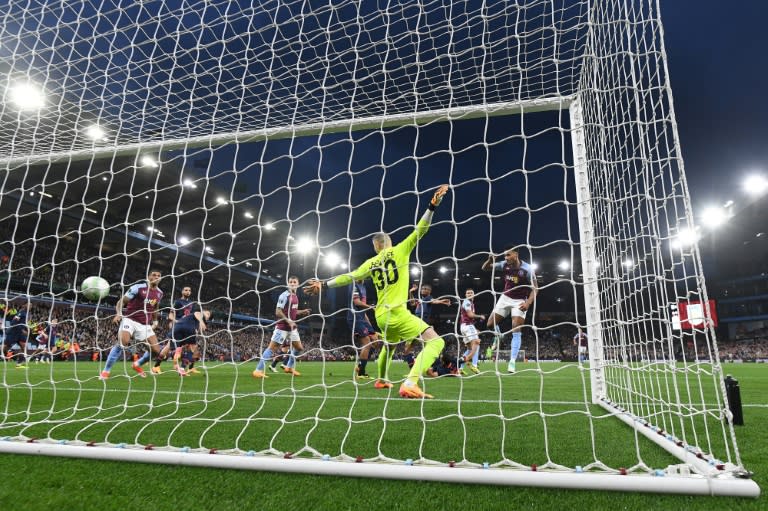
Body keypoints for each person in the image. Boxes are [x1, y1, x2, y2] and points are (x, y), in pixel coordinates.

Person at [304, 185, 450, 399]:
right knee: (437, 342)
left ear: (376, 246)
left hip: (381, 316)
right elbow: (421, 229)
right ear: (387, 242)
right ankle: (410, 382)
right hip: (398, 313)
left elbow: (349, 276)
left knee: (389, 348)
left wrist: (324, 284)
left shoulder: (370, 263)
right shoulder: (400, 249)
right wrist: (432, 206)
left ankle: (381, 380)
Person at [99, 269, 164, 380]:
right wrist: (119, 314)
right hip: (130, 319)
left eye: (159, 275)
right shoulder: (138, 288)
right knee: (123, 342)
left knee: (157, 352)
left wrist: (156, 321)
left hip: (145, 325)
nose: (156, 277)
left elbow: (155, 308)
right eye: (154, 275)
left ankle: (137, 364)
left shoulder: (159, 293)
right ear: (148, 277)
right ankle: (106, 371)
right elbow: (121, 302)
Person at [482, 248, 538, 374]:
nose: (506, 257)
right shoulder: (504, 265)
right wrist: (490, 260)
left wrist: (528, 302)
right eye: (504, 255)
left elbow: (535, 288)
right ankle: (499, 335)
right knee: (490, 324)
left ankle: (512, 362)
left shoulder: (528, 269)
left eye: (508, 255)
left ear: (516, 255)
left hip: (520, 301)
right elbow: (485, 268)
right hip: (505, 297)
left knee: (515, 328)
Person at [252, 276, 311, 378]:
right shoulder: (284, 295)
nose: (292, 283)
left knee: (299, 348)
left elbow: (292, 311)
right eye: (290, 282)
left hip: (291, 328)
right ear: (288, 284)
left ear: (298, 284)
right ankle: (258, 370)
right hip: (282, 327)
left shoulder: (295, 297)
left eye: (294, 282)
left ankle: (288, 367)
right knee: (272, 348)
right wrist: (288, 321)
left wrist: (302, 312)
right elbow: (278, 311)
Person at [348, 279, 380, 380]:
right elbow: (357, 302)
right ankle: (361, 372)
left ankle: (360, 366)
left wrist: (370, 326)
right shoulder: (354, 285)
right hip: (355, 319)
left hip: (362, 318)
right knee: (367, 343)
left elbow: (362, 309)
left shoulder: (364, 287)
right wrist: (372, 307)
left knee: (375, 341)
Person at [458, 288, 485, 375]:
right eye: (468, 293)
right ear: (465, 295)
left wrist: (474, 328)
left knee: (470, 348)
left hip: (463, 327)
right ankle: (473, 364)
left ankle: (460, 368)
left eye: (471, 293)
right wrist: (480, 316)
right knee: (477, 343)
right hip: (467, 326)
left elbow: (468, 317)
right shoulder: (467, 302)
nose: (469, 294)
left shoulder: (470, 303)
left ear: (474, 294)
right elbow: (470, 315)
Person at [2, 300, 30, 369]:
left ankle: (19, 364)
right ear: (24, 305)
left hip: (19, 333)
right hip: (13, 332)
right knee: (5, 347)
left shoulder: (26, 314)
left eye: (31, 305)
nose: (30, 306)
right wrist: (22, 329)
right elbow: (13, 322)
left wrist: (24, 329)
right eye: (28, 304)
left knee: (24, 347)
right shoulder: (21, 313)